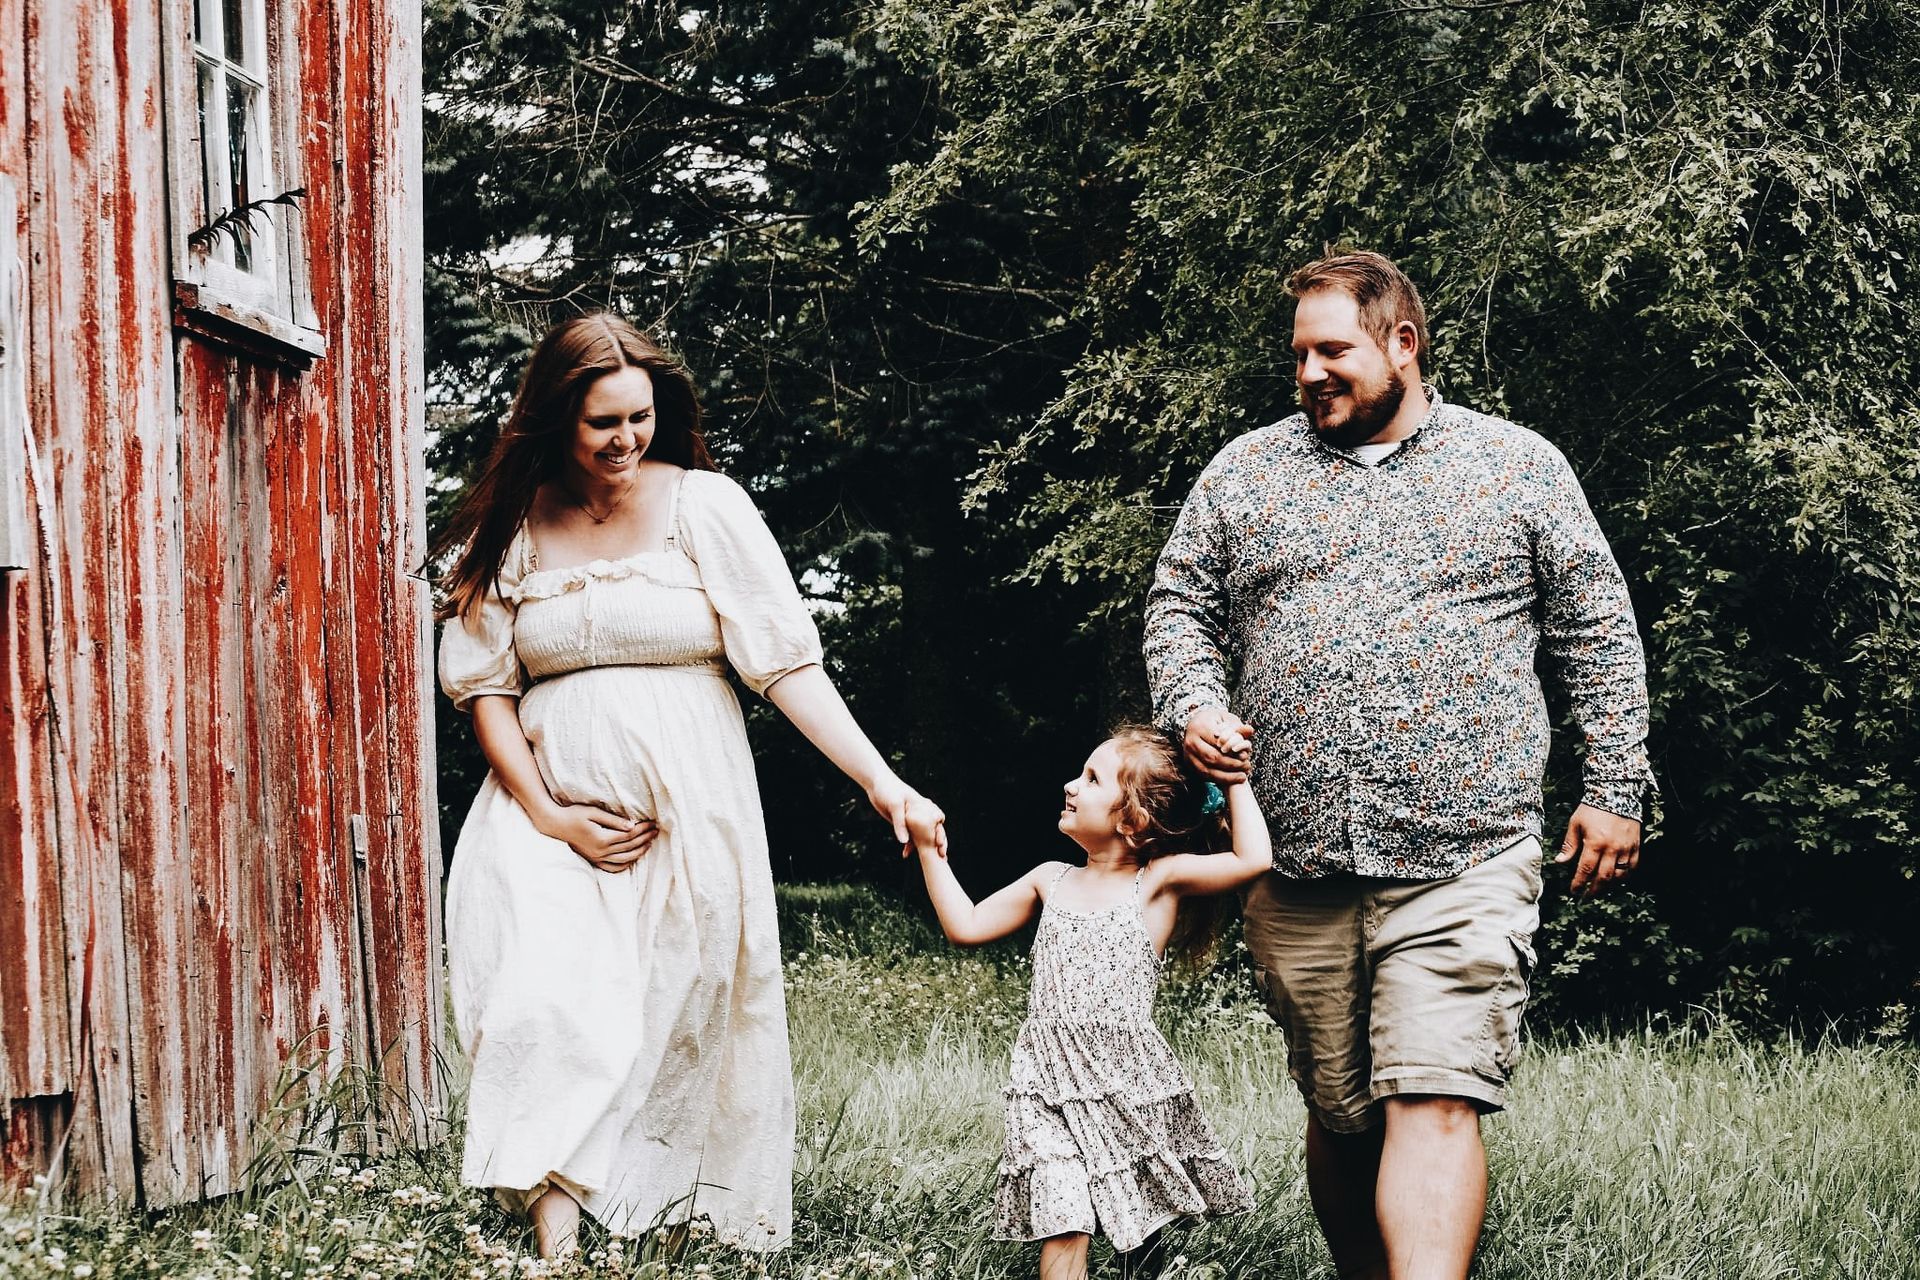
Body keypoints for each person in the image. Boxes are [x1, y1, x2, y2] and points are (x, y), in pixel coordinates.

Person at [1144, 251, 1654, 1280]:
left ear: (1402, 343)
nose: (1310, 372)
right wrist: (1193, 706)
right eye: (1299, 354)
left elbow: (1599, 629)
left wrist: (1615, 788)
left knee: (1435, 1089)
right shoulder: (1246, 472)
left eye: (1333, 350)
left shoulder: (1515, 465)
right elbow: (1180, 607)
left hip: (1466, 853)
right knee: (1341, 1110)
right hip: (1294, 860)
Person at [434, 314, 945, 1257]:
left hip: (686, 806)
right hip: (543, 815)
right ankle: (557, 1242)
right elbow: (487, 692)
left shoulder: (703, 506)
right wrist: (550, 813)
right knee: (544, 999)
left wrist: (882, 780)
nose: (626, 439)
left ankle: (655, 1210)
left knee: (676, 1004)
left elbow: (785, 665)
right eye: (602, 424)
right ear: (557, 421)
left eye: (640, 416)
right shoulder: (514, 522)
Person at [911, 725, 1269, 1280]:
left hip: (1123, 1079)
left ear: (1133, 820)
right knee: (1064, 1211)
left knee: (1137, 1217)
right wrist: (932, 853)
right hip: (1047, 1079)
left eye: (1092, 778)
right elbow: (967, 924)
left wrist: (1234, 777)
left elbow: (1253, 859)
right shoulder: (1048, 880)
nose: (1071, 785)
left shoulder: (1157, 883)